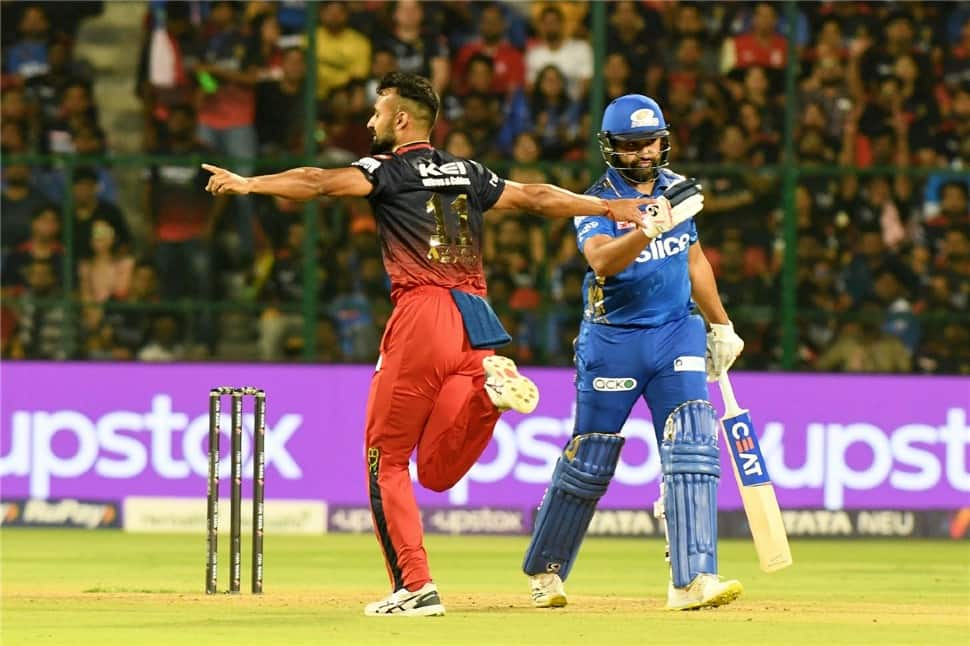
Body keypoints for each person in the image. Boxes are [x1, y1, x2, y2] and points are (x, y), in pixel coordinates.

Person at [202, 72, 651, 617]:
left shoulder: (387, 169)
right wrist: (608, 207)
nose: (369, 121)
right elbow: (535, 196)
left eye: (376, 112)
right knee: (435, 473)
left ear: (401, 119)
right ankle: (491, 398)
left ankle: (414, 585)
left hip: (424, 312)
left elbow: (318, 181)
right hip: (479, 323)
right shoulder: (468, 170)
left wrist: (250, 184)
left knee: (383, 460)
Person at [522, 94, 746, 611]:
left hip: (674, 333)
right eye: (631, 145)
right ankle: (546, 569)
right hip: (613, 340)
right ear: (612, 147)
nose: (644, 154)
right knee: (591, 460)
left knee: (693, 442)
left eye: (650, 142)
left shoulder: (679, 192)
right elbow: (602, 262)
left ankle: (692, 579)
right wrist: (645, 231)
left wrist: (721, 325)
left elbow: (694, 260)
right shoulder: (598, 199)